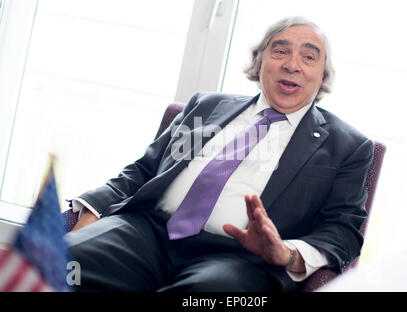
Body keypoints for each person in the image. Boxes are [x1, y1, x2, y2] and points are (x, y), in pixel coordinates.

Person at [65, 16, 374, 292]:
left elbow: (342, 231)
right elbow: (145, 171)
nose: (292, 64)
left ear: (322, 75)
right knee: (57, 263)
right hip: (147, 232)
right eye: (280, 51)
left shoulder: (346, 147)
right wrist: (93, 209)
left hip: (241, 261)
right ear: (259, 61)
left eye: (308, 56)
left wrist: (286, 253)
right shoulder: (206, 107)